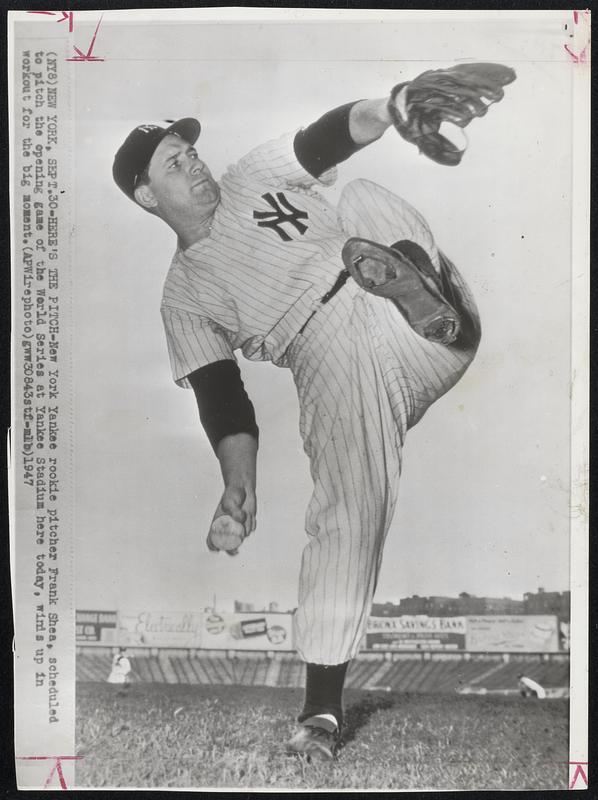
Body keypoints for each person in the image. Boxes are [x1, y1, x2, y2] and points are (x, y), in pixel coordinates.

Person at [112, 64, 513, 760]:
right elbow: (223, 400)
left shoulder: (248, 177)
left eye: (193, 152)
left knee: (359, 193)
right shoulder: (184, 297)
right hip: (328, 359)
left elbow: (326, 138)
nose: (197, 166)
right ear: (148, 196)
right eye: (178, 163)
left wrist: (391, 107)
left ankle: (417, 291)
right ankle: (321, 713)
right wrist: (238, 489)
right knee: (345, 511)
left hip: (406, 314)